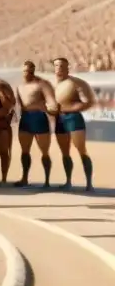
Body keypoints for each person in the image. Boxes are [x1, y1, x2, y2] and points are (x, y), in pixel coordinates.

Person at [52, 57, 97, 191]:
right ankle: (68, 182)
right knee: (65, 152)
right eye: (56, 66)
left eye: (62, 66)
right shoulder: (52, 85)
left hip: (73, 118)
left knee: (81, 150)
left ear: (67, 68)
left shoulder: (77, 83)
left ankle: (89, 183)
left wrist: (70, 109)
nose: (59, 68)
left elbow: (89, 102)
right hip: (59, 119)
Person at [14, 61, 58, 188]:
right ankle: (24, 178)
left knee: (44, 151)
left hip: (39, 117)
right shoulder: (20, 86)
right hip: (26, 118)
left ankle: (47, 181)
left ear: (34, 71)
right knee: (25, 151)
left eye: (30, 71)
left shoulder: (42, 84)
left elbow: (52, 101)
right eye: (25, 71)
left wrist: (49, 109)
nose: (28, 73)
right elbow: (19, 105)